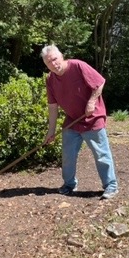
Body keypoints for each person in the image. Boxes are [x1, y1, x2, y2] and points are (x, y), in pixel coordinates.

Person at [41, 44, 118, 199]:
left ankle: (111, 186)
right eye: (49, 62)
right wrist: (51, 131)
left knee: (101, 154)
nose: (53, 64)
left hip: (92, 118)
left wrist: (91, 101)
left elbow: (99, 82)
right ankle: (69, 184)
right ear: (46, 65)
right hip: (72, 120)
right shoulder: (50, 80)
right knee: (68, 155)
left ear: (61, 56)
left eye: (55, 59)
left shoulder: (78, 66)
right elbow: (53, 107)